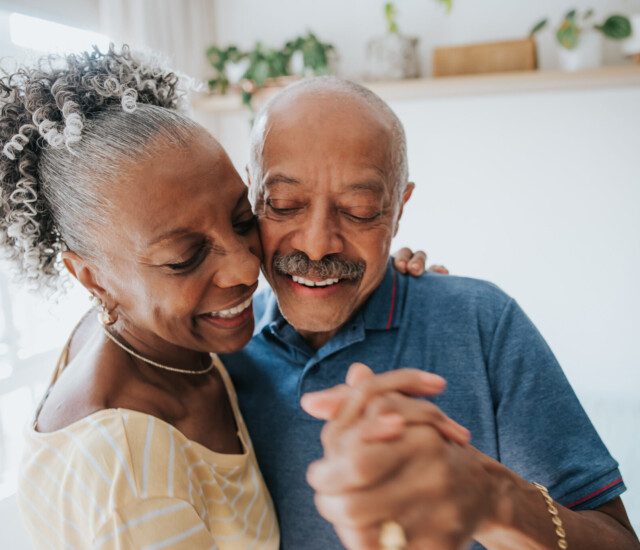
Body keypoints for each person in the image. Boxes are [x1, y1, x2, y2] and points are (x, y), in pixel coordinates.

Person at [1, 46, 448, 549]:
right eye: (185, 257)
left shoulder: (157, 338)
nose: (244, 269)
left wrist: (377, 266)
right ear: (93, 279)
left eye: (243, 220)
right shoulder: (127, 472)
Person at [221, 76, 639, 549]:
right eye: (285, 204)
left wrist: (493, 497)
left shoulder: (483, 323)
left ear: (399, 209)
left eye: (359, 211)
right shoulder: (220, 352)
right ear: (252, 194)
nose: (317, 244)